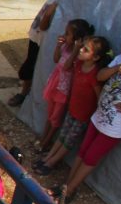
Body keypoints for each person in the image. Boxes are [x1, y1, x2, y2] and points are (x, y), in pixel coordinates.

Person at [53, 28, 121, 204]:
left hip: (115, 126)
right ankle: (65, 186)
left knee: (90, 158)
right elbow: (101, 75)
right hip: (99, 116)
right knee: (83, 151)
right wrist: (117, 68)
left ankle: (68, 191)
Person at [34, 36, 110, 176]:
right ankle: (48, 157)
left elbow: (99, 97)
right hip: (72, 109)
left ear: (95, 57)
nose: (80, 49)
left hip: (83, 115)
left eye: (85, 49)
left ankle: (51, 162)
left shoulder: (94, 75)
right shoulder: (79, 66)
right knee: (63, 135)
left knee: (69, 141)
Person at [8, 0, 71, 107]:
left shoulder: (59, 2)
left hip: (42, 41)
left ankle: (24, 94)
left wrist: (48, 14)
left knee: (29, 69)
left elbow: (43, 26)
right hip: (36, 38)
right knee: (29, 66)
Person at [37, 19, 93, 152]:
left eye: (68, 33)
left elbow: (67, 66)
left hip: (64, 90)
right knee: (50, 114)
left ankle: (46, 142)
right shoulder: (65, 48)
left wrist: (75, 50)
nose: (64, 35)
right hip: (55, 85)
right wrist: (58, 46)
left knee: (55, 118)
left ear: (76, 39)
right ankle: (43, 137)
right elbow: (56, 59)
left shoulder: (77, 56)